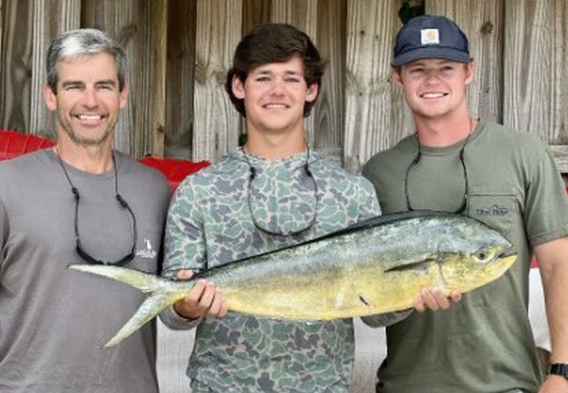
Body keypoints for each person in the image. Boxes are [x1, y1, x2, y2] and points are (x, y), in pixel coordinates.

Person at [158, 22, 400, 393]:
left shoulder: (353, 193)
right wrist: (187, 305)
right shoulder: (200, 191)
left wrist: (414, 292)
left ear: (311, 90)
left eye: (291, 78)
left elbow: (376, 311)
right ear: (239, 86)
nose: (277, 91)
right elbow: (173, 311)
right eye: (263, 78)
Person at [0, 29, 171, 392]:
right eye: (74, 86)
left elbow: (177, 302)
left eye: (104, 86)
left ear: (123, 95)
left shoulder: (154, 190)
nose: (90, 101)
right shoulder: (4, 185)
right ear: (51, 96)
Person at [362, 14, 568, 393]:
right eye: (418, 69)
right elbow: (367, 298)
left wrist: (564, 371)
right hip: (405, 384)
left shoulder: (522, 153)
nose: (432, 80)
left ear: (468, 72)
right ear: (399, 78)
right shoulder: (379, 172)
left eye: (446, 67)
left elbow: (559, 264)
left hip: (506, 384)